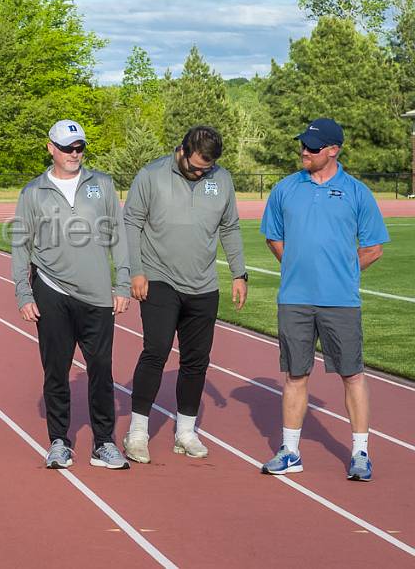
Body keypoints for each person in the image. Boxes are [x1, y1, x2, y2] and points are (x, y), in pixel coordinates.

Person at [259, 117, 388, 481]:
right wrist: (297, 267)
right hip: (295, 300)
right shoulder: (285, 189)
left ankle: (361, 453)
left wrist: (342, 274)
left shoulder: (357, 192)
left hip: (341, 302)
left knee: (352, 374)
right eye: (302, 145)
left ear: (333, 150)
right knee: (295, 374)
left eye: (312, 148)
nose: (304, 151)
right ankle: (290, 452)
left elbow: (374, 248)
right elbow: (273, 238)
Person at [120, 126, 248, 464]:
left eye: (205, 168)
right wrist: (135, 270)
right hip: (159, 278)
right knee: (157, 350)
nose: (199, 173)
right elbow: (131, 222)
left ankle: (186, 432)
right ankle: (137, 431)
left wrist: (239, 273)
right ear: (181, 149)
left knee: (196, 360)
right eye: (194, 167)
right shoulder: (151, 175)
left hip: (204, 284)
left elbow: (230, 226)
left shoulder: (221, 179)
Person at [11, 119, 132, 470]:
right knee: (56, 371)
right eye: (67, 148)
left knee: (101, 370)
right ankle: (60, 441)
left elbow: (119, 237)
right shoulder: (33, 191)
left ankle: (104, 443)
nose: (74, 154)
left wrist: (122, 283)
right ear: (51, 148)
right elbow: (21, 245)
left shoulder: (103, 185)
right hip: (50, 291)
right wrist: (23, 292)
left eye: (79, 148)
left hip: (97, 296)